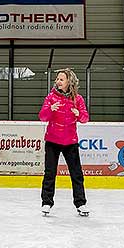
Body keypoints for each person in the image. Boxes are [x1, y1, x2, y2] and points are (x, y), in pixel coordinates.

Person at [39, 68, 90, 216]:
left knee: (76, 174)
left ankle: (80, 203)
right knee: (50, 173)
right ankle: (47, 202)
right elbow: (42, 116)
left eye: (61, 79)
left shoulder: (78, 99)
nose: (58, 81)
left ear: (69, 82)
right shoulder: (51, 97)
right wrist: (51, 110)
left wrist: (78, 114)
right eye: (57, 79)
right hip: (52, 140)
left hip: (70, 141)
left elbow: (85, 118)